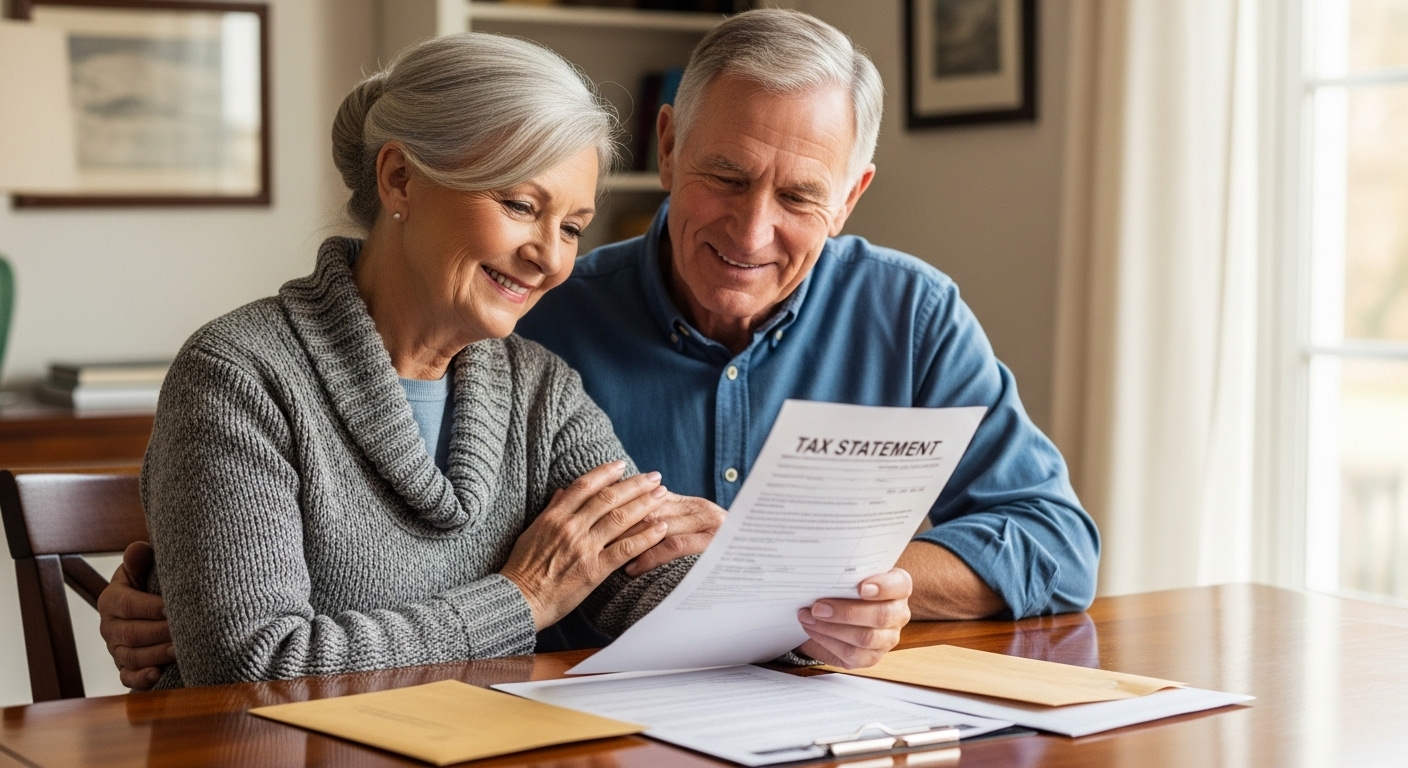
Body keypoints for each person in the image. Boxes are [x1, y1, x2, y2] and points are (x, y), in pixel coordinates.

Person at [104, 8, 1100, 685]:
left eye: (572, 224)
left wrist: (816, 615)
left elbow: (647, 588)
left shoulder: (533, 377)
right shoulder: (255, 370)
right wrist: (522, 598)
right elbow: (253, 661)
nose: (546, 259)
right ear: (400, 182)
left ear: (849, 196)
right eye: (520, 206)